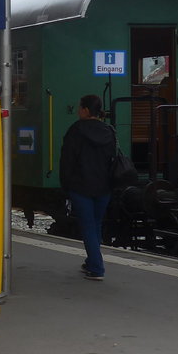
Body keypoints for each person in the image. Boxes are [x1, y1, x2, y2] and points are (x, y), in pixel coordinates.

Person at [59, 94, 117, 281]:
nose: (77, 111)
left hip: (81, 187)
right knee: (96, 224)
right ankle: (91, 261)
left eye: (79, 107)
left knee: (88, 227)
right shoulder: (108, 131)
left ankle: (97, 267)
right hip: (104, 187)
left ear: (85, 110)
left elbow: (67, 161)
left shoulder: (76, 131)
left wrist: (65, 185)